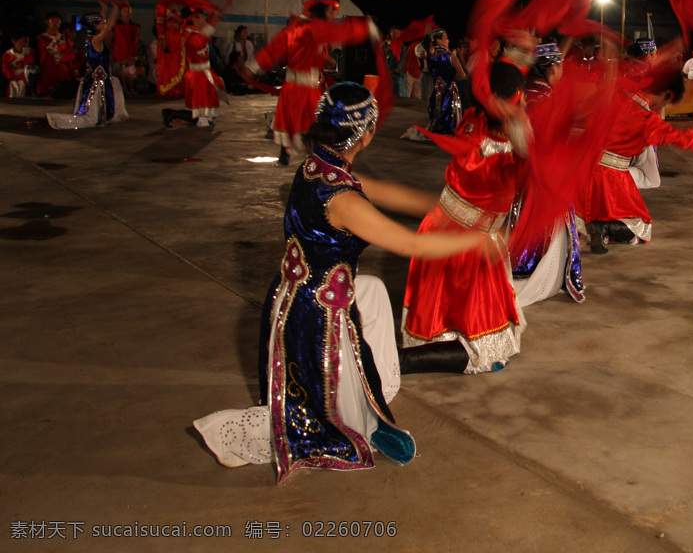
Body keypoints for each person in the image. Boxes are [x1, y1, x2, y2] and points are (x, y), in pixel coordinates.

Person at [193, 83, 492, 482]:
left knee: (371, 289)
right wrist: (478, 241)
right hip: (314, 317)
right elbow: (406, 243)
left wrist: (449, 207)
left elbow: (384, 192)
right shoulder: (343, 200)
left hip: (289, 297)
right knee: (321, 424)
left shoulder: (317, 166)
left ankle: (379, 377)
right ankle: (244, 432)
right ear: (365, 134)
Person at [401, 62, 529, 375]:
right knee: (485, 351)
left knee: (441, 318)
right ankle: (403, 362)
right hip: (469, 245)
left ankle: (412, 352)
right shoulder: (506, 157)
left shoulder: (473, 122)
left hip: (440, 227)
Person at [582, 73, 693, 253]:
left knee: (581, 216)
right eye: (667, 103)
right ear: (665, 95)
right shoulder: (646, 119)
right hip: (611, 177)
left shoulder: (618, 96)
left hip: (584, 170)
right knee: (641, 227)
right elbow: (674, 136)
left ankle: (599, 227)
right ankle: (604, 228)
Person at [248, 0, 375, 165]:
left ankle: (290, 154)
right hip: (301, 87)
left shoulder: (302, 27)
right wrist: (365, 29)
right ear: (328, 9)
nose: (334, 16)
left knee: (297, 120)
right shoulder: (312, 28)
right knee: (311, 121)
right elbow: (340, 33)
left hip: (301, 86)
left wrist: (253, 67)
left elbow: (280, 49)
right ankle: (309, 156)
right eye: (334, 12)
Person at [511, 42, 586, 306]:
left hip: (522, 167)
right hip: (545, 169)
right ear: (553, 67)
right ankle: (536, 268)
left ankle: (519, 262)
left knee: (522, 214)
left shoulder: (524, 91)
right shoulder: (546, 97)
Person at [46, 5, 128, 129]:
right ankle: (57, 120)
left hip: (102, 79)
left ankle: (112, 115)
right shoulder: (96, 41)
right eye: (102, 23)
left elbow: (103, 27)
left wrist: (104, 7)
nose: (104, 24)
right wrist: (116, 8)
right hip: (96, 83)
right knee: (91, 118)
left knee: (115, 85)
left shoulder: (92, 38)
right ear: (94, 26)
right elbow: (108, 29)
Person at [426, 28, 466, 134]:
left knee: (436, 114)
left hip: (436, 91)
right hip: (449, 92)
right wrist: (452, 77)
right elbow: (462, 75)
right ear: (438, 41)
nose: (448, 41)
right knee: (449, 121)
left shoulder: (430, 56)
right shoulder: (451, 56)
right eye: (446, 38)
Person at [155, 0, 187, 98]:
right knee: (169, 64)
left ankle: (180, 88)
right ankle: (168, 88)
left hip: (179, 37)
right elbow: (159, 24)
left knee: (180, 62)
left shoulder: (181, 5)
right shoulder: (161, 6)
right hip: (168, 37)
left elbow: (186, 20)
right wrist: (162, 39)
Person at [36, 13, 73, 97]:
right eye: (53, 21)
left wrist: (61, 56)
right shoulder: (41, 38)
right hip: (48, 68)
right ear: (47, 22)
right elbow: (41, 56)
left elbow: (70, 54)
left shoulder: (64, 38)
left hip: (62, 68)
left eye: (58, 21)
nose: (55, 23)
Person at [111, 4, 139, 97]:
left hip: (130, 52)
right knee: (122, 73)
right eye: (124, 11)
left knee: (132, 73)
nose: (127, 13)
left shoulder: (134, 26)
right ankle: (124, 89)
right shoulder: (117, 25)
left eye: (128, 11)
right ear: (120, 12)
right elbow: (119, 41)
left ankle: (131, 89)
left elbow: (134, 41)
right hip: (121, 52)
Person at [3, 32, 37, 97]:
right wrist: (16, 73)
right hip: (13, 82)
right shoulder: (7, 54)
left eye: (26, 41)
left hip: (26, 84)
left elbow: (30, 63)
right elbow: (5, 71)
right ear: (14, 41)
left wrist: (26, 51)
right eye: (23, 41)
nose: (24, 43)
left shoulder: (30, 52)